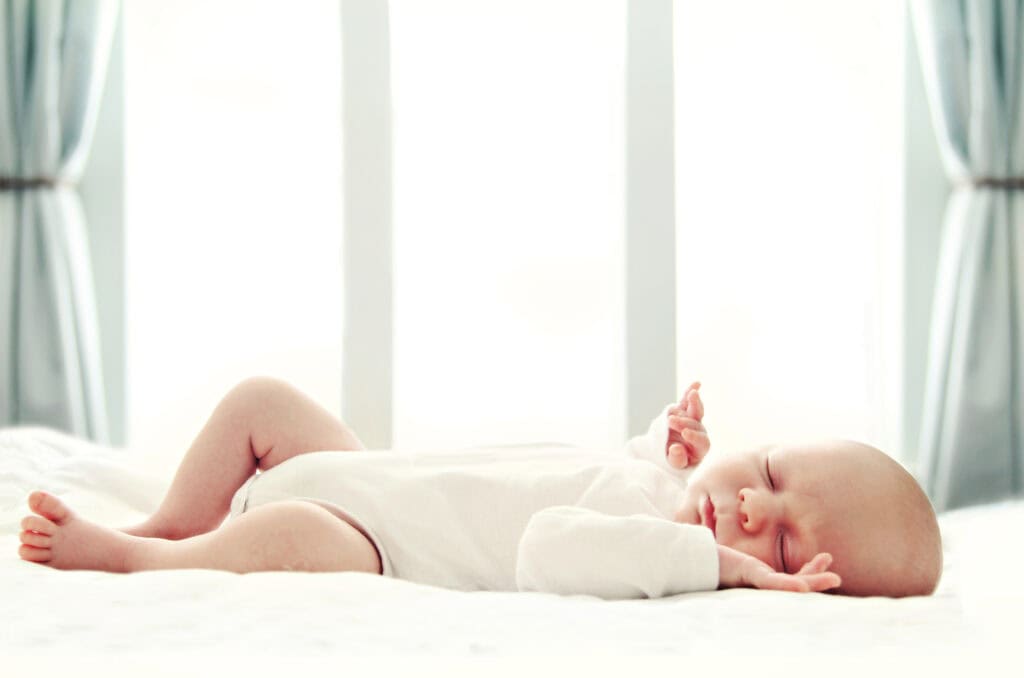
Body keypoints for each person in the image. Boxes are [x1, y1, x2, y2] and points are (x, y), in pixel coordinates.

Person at [16, 377, 942, 598]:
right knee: (261, 401)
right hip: (367, 470)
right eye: (772, 475)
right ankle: (169, 518)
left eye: (777, 544)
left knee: (289, 528)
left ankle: (147, 557)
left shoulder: (661, 557)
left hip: (367, 534)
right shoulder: (660, 497)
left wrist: (724, 570)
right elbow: (624, 478)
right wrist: (666, 447)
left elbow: (553, 542)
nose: (747, 510)